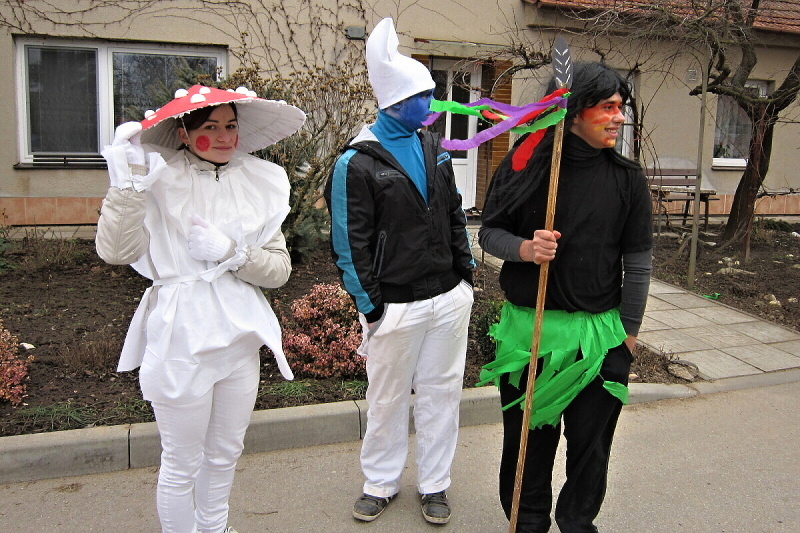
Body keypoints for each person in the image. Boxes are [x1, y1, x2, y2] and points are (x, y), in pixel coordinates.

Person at [95, 85, 305, 533]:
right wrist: (127, 186)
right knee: (181, 462)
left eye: (231, 125)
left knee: (225, 452)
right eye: (211, 126)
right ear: (184, 134)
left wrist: (233, 252)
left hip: (239, 340)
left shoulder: (259, 182)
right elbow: (116, 251)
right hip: (182, 340)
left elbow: (279, 271)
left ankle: (215, 527)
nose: (225, 136)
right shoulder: (159, 180)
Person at [478, 62, 653, 533]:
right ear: (576, 112)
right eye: (608, 108)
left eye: (621, 108)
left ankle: (577, 523)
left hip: (599, 339)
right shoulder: (525, 165)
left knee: (591, 451)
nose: (619, 118)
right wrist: (525, 249)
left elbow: (638, 262)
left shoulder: (626, 178)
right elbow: (489, 233)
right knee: (527, 446)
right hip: (529, 336)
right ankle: (527, 522)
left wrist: (628, 337)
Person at [324, 17, 475, 526]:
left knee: (441, 395)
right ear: (395, 101)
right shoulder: (356, 163)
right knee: (387, 399)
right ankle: (380, 483)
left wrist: (465, 276)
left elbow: (454, 213)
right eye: (424, 95)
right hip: (395, 305)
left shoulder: (433, 146)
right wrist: (371, 307)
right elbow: (349, 245)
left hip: (447, 298)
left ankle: (435, 484)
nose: (432, 102)